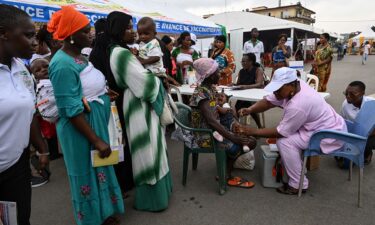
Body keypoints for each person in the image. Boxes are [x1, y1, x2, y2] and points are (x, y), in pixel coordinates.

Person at [47, 6, 124, 225]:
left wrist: (102, 93)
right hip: (80, 129)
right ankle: (91, 219)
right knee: (85, 174)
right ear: (71, 35)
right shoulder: (61, 64)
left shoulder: (79, 56)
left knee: (100, 168)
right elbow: (69, 110)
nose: (91, 34)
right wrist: (96, 140)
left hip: (93, 122)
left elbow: (83, 89)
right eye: (85, 31)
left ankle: (104, 213)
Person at [236, 67, 347, 195]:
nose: (275, 92)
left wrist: (251, 131)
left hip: (328, 135)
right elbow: (268, 102)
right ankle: (298, 169)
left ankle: (298, 184)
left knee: (285, 142)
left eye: (278, 89)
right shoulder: (296, 86)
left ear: (291, 85)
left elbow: (280, 132)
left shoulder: (299, 104)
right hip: (325, 125)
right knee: (287, 138)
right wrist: (251, 109)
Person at [106, 11, 172, 212]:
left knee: (154, 146)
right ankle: (152, 200)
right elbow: (143, 82)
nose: (133, 33)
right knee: (147, 150)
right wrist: (160, 82)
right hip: (139, 103)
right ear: (117, 30)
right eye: (128, 28)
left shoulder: (124, 50)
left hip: (141, 102)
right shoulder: (120, 53)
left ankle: (160, 194)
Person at [0, 4, 49, 225]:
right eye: (28, 35)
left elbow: (28, 111)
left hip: (17, 166)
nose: (35, 42)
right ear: (4, 33)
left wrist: (41, 148)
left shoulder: (21, 68)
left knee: (19, 220)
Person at [190, 58, 256, 188]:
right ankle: (225, 175)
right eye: (217, 71)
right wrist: (232, 137)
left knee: (251, 140)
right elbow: (211, 121)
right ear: (208, 75)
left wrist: (225, 109)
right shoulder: (202, 93)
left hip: (214, 129)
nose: (220, 74)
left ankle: (225, 168)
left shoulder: (210, 89)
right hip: (205, 135)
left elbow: (215, 110)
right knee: (240, 144)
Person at [341, 81, 375, 164]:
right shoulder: (345, 105)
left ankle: (367, 153)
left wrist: (367, 134)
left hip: (371, 133)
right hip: (354, 133)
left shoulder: (372, 103)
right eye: (346, 93)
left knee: (367, 142)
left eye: (352, 94)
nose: (348, 96)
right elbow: (343, 122)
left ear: (362, 93)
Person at [234, 53, 264, 128]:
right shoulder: (241, 71)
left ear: (251, 62)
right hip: (243, 95)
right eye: (242, 61)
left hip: (254, 95)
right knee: (236, 107)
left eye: (244, 61)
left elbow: (259, 84)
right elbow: (238, 84)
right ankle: (237, 127)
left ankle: (259, 126)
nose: (242, 63)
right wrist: (233, 85)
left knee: (249, 105)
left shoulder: (258, 70)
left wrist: (245, 86)